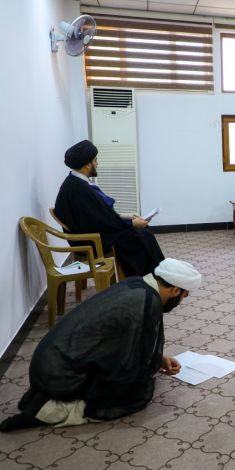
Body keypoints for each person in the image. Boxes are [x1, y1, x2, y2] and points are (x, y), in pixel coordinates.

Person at [0, 259, 201, 432]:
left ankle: (45, 402)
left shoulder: (138, 283)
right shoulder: (147, 302)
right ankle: (51, 411)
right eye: (183, 296)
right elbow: (129, 358)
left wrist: (158, 359)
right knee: (137, 392)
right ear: (175, 290)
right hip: (62, 376)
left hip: (49, 364)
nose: (181, 302)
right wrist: (148, 366)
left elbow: (123, 341)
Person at [54, 140, 164, 277]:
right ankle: (150, 277)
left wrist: (126, 217)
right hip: (91, 240)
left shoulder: (76, 182)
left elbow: (98, 215)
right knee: (139, 236)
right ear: (87, 165)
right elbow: (100, 220)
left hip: (93, 230)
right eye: (95, 160)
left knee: (142, 232)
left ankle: (158, 274)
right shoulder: (78, 189)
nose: (97, 163)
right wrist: (131, 223)